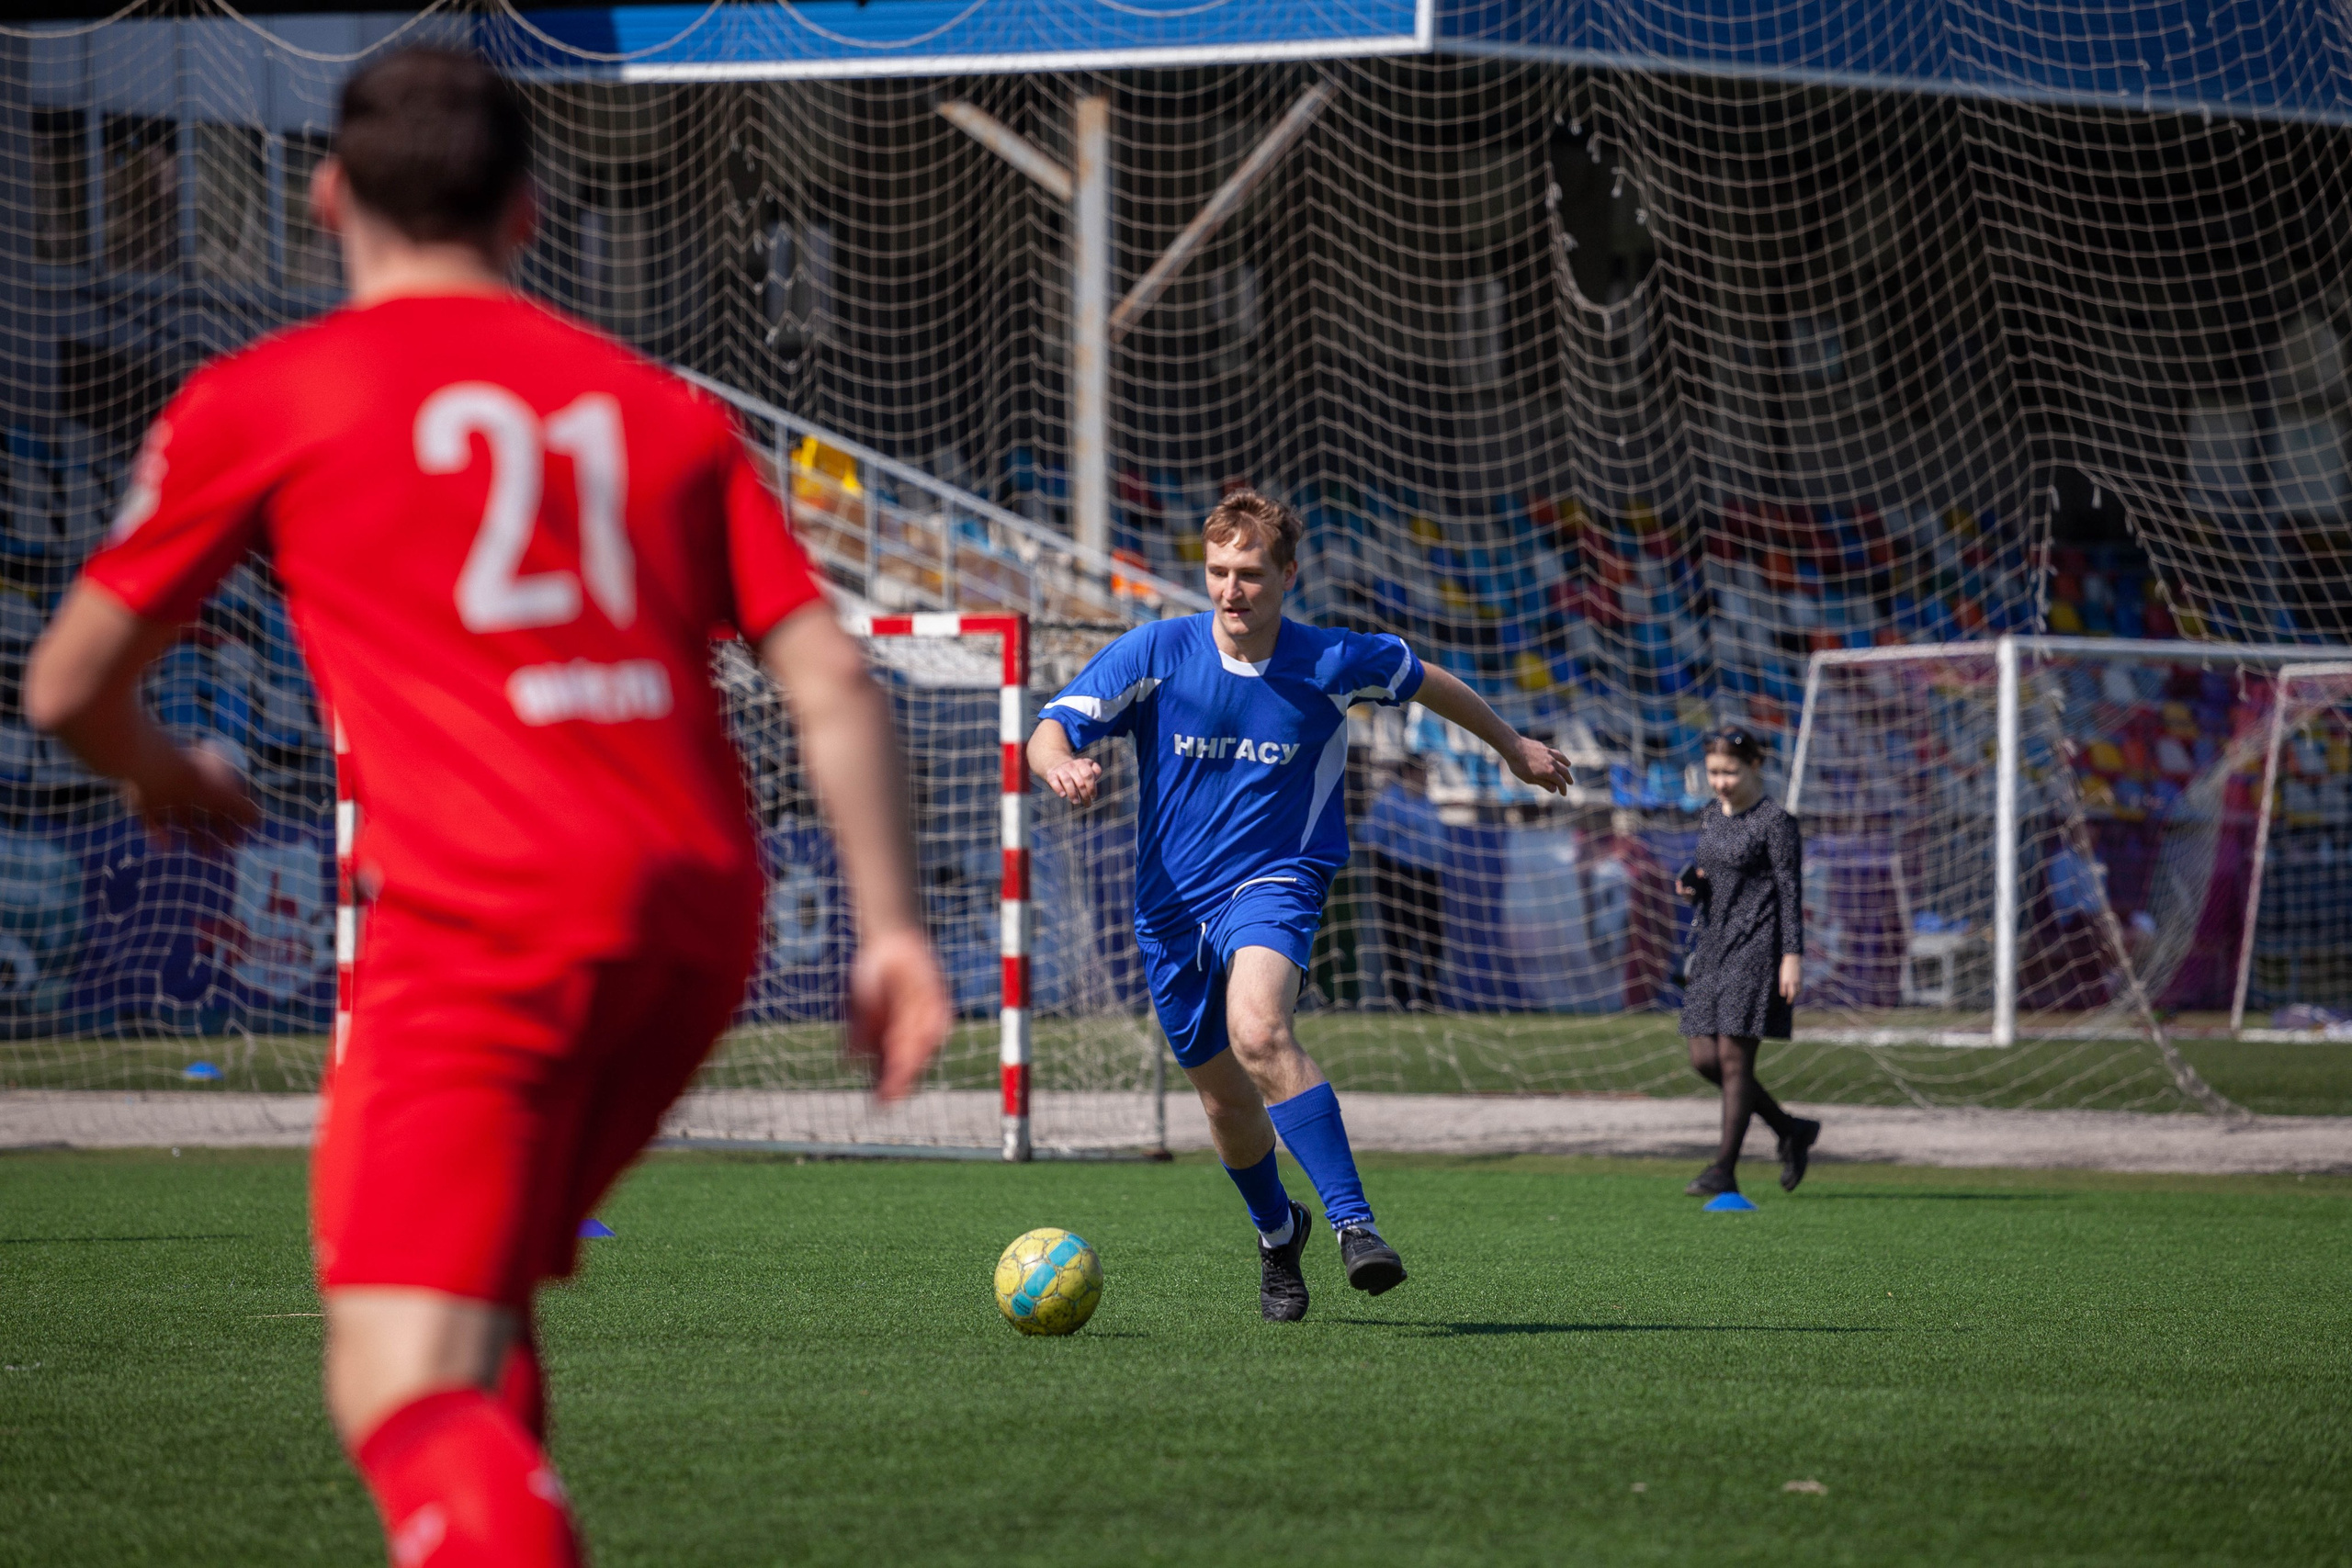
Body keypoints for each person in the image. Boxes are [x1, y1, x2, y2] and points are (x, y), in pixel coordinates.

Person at [23, 48, 949, 1568]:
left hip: (486, 916)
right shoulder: (661, 409)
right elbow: (832, 673)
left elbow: (66, 686)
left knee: (398, 1383)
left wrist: (167, 771)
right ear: (528, 209)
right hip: (694, 918)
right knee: (475, 1311)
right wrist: (894, 928)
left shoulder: (269, 397)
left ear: (327, 196)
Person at [1027, 490, 1572, 1321]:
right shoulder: (1156, 649)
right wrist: (1060, 763)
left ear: (1288, 574)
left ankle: (1356, 1224)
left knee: (1259, 1029)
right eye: (1218, 571)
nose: (1231, 589)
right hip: (1170, 908)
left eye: (1250, 572)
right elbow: (1050, 728)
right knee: (1224, 1103)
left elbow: (1427, 680)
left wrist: (1513, 746)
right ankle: (1280, 1234)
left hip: (1277, 881)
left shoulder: (1332, 658)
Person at [1675, 727, 1820, 1197]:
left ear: (1755, 766)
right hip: (1712, 946)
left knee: (1735, 1060)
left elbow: (1790, 893)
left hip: (1758, 948)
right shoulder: (1709, 815)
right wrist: (1695, 885)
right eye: (1713, 772)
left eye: (1729, 773)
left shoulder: (1776, 822)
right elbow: (1713, 876)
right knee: (1704, 1059)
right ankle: (1789, 1129)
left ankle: (1724, 1169)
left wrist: (1792, 957)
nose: (1720, 782)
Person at [1358, 752, 1447, 1009]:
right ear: (1409, 772)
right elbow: (1367, 838)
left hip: (1429, 877)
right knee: (1399, 938)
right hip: (1398, 876)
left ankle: (1427, 998)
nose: (1426, 777)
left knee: (1432, 937)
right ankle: (1399, 998)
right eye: (1421, 771)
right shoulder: (1390, 801)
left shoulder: (1427, 801)